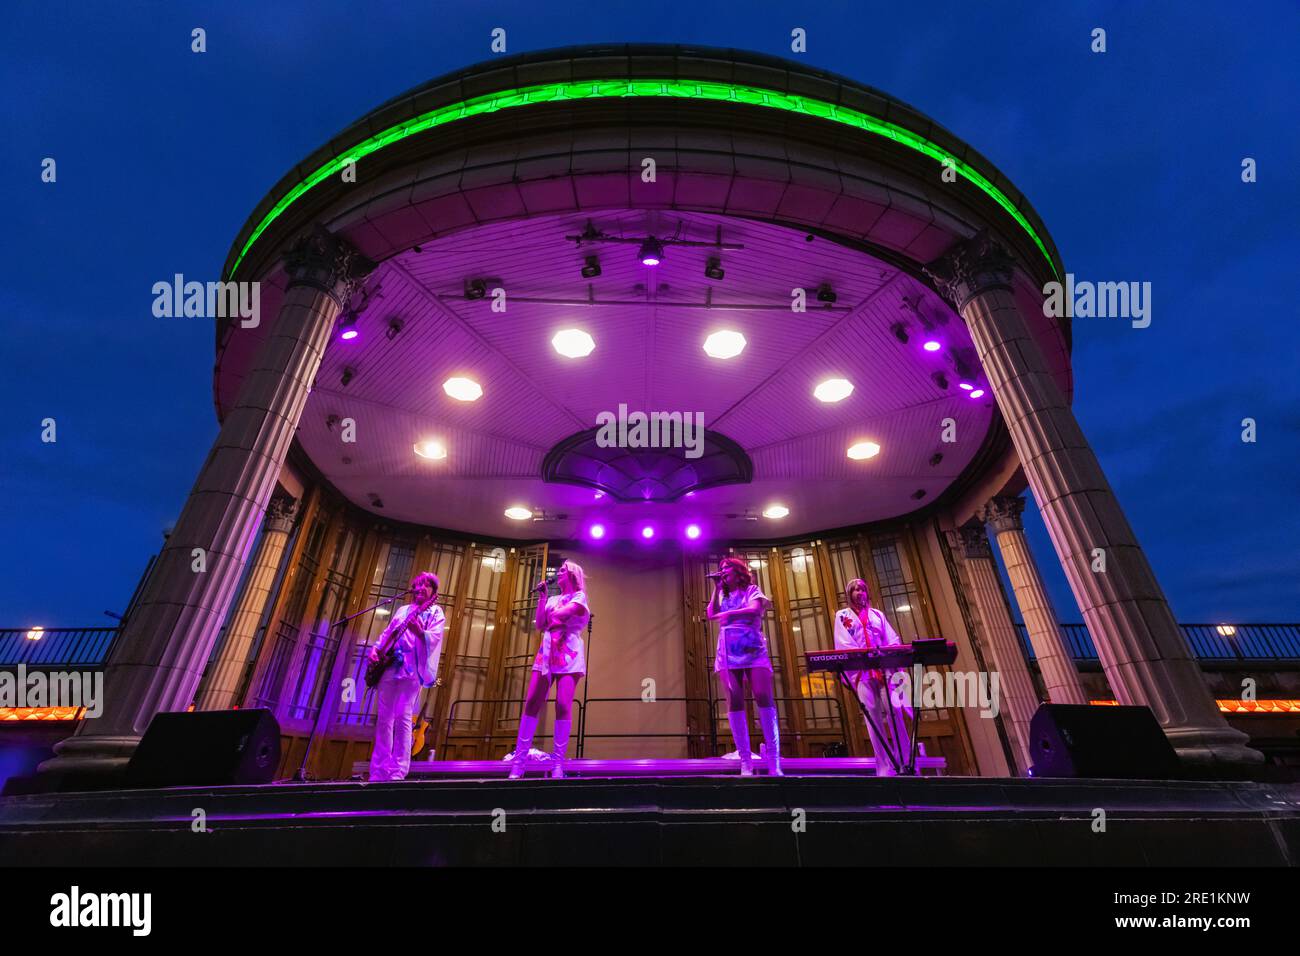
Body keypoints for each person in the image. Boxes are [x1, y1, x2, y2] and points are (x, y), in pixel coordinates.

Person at [508, 559, 591, 779]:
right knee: (533, 701)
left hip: (568, 653)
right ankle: (519, 760)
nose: (559, 573)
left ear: (573, 575)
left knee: (563, 704)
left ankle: (557, 763)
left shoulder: (579, 596)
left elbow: (557, 616)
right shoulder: (554, 598)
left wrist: (552, 617)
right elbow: (540, 623)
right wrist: (543, 598)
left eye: (563, 570)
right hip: (546, 651)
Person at [366, 571, 445, 782]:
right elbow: (387, 633)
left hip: (412, 670)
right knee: (384, 719)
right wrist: (376, 649)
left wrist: (420, 633)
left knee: (403, 717)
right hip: (390, 667)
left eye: (427, 585)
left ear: (433, 592)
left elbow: (435, 637)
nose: (421, 588)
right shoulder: (402, 610)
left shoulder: (435, 612)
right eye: (418, 584)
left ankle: (398, 770)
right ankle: (379, 770)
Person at [707, 556, 782, 776]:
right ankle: (745, 760)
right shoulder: (723, 593)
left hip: (752, 648)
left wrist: (729, 614)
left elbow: (754, 609)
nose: (722, 572)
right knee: (735, 701)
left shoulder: (751, 589)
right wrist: (715, 589)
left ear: (737, 571)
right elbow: (711, 613)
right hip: (729, 652)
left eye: (726, 569)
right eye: (720, 570)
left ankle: (774, 760)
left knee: (762, 696)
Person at [832, 578, 913, 777]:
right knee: (873, 720)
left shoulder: (878, 615)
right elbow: (843, 643)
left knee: (895, 714)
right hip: (863, 673)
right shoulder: (842, 616)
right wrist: (864, 657)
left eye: (862, 589)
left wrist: (887, 654)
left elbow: (892, 639)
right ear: (849, 594)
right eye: (855, 590)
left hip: (884, 670)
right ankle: (885, 768)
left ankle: (905, 763)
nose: (859, 592)